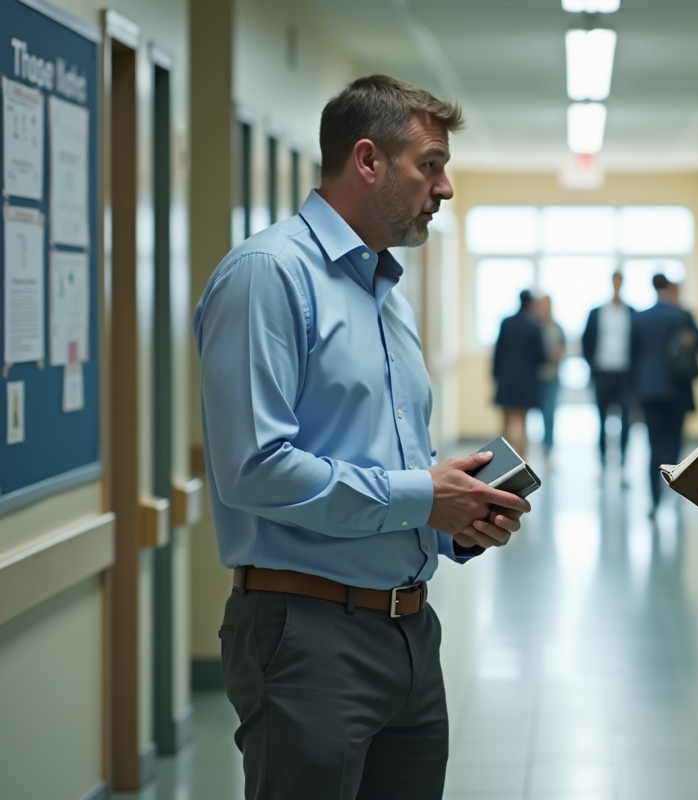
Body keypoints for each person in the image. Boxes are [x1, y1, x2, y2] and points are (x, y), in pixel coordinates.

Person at [193, 75, 533, 800]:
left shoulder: (385, 296)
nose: (444, 189)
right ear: (369, 160)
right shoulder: (268, 275)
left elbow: (381, 468)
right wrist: (421, 496)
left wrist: (454, 519)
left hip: (409, 631)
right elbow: (254, 468)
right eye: (431, 165)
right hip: (309, 633)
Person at [630, 274, 698, 515]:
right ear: (672, 289)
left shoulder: (639, 318)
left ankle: (653, 498)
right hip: (677, 389)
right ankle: (672, 491)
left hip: (649, 390)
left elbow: (632, 357)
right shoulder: (681, 315)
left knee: (654, 443)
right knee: (674, 441)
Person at [581, 271, 633, 471]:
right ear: (611, 283)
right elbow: (587, 341)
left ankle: (622, 464)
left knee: (626, 419)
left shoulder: (631, 312)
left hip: (625, 373)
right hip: (602, 371)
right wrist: (591, 366)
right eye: (615, 282)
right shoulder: (597, 312)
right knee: (601, 418)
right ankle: (602, 462)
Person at [492, 289, 546, 457]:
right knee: (523, 423)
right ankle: (521, 463)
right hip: (526, 381)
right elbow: (540, 357)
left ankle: (501, 461)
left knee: (505, 422)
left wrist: (495, 375)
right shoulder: (535, 326)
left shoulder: (506, 323)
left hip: (506, 378)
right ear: (530, 304)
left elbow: (498, 352)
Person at [535, 294, 566, 462]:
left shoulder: (557, 328)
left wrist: (556, 353)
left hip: (552, 378)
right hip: (535, 378)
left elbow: (563, 348)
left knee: (549, 415)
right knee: (535, 415)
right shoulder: (535, 327)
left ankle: (547, 451)